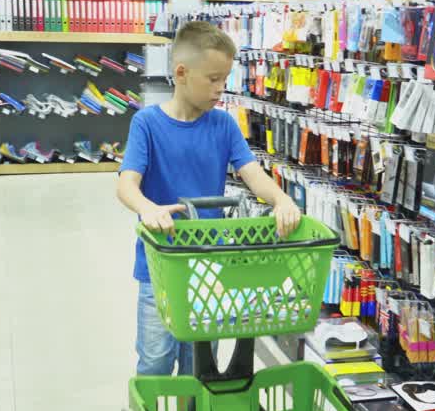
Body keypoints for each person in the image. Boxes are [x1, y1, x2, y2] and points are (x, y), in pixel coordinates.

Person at [116, 21, 301, 378]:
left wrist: (281, 200)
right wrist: (147, 208)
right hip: (160, 265)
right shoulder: (147, 124)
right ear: (182, 73)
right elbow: (126, 185)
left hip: (209, 265)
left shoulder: (224, 125)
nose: (221, 88)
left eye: (225, 78)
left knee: (200, 362)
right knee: (155, 358)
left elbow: (252, 173)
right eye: (213, 79)